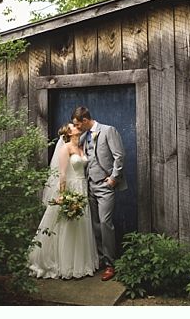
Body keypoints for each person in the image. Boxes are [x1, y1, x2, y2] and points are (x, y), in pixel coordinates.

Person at [29, 123, 98, 279]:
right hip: (71, 188)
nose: (76, 126)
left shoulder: (82, 147)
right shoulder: (65, 148)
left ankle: (80, 263)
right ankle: (65, 265)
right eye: (73, 126)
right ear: (69, 132)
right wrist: (63, 195)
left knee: (81, 224)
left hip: (82, 187)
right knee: (67, 224)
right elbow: (62, 174)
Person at [71, 106, 126, 282]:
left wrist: (113, 178)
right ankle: (101, 259)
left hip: (105, 185)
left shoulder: (108, 130)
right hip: (89, 185)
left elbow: (119, 155)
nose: (77, 128)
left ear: (85, 121)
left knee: (104, 223)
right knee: (94, 224)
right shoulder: (83, 136)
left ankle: (110, 264)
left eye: (78, 125)